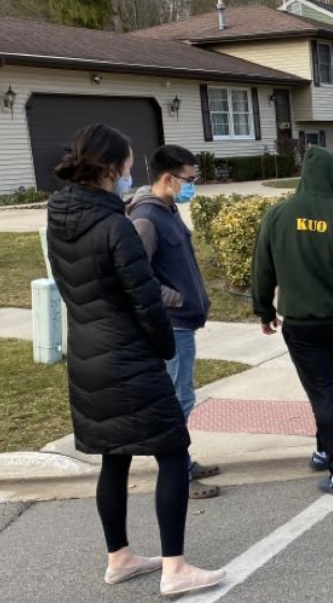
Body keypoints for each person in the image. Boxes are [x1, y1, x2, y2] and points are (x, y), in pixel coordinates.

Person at [46, 124, 225, 596]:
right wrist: (164, 345)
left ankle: (119, 557)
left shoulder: (59, 219)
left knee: (115, 457)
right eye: (127, 165)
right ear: (110, 170)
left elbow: (74, 288)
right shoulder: (117, 226)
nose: (131, 173)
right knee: (172, 450)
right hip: (127, 356)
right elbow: (144, 299)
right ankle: (175, 568)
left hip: (87, 354)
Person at [251, 145, 333, 497]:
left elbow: (262, 270)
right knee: (327, 390)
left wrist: (264, 310)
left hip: (301, 325)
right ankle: (326, 449)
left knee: (322, 391)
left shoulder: (277, 216)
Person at [127, 144, 221, 499]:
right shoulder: (146, 218)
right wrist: (176, 299)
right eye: (189, 179)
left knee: (182, 396)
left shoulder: (168, 209)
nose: (192, 185)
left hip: (183, 323)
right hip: (172, 325)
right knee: (177, 400)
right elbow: (136, 276)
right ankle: (177, 472)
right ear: (168, 178)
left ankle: (183, 460)